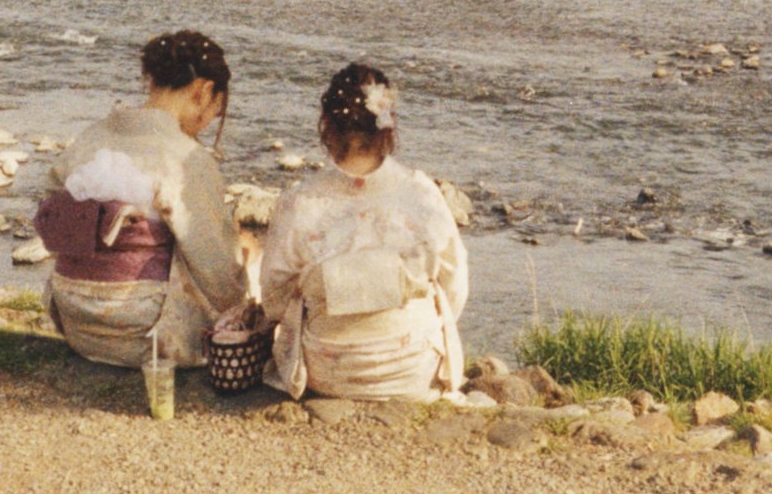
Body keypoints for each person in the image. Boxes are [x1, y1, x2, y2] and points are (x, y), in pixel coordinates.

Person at [34, 30, 245, 372]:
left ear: (152, 80)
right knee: (221, 258)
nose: (207, 124)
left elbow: (50, 227)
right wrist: (243, 308)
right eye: (214, 113)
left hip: (75, 322)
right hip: (145, 335)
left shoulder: (91, 137)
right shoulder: (186, 156)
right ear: (204, 90)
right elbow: (215, 270)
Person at [256, 62, 468, 402]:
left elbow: (274, 298)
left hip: (329, 372)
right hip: (411, 367)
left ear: (327, 127)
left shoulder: (300, 202)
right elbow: (454, 283)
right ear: (388, 126)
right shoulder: (421, 193)